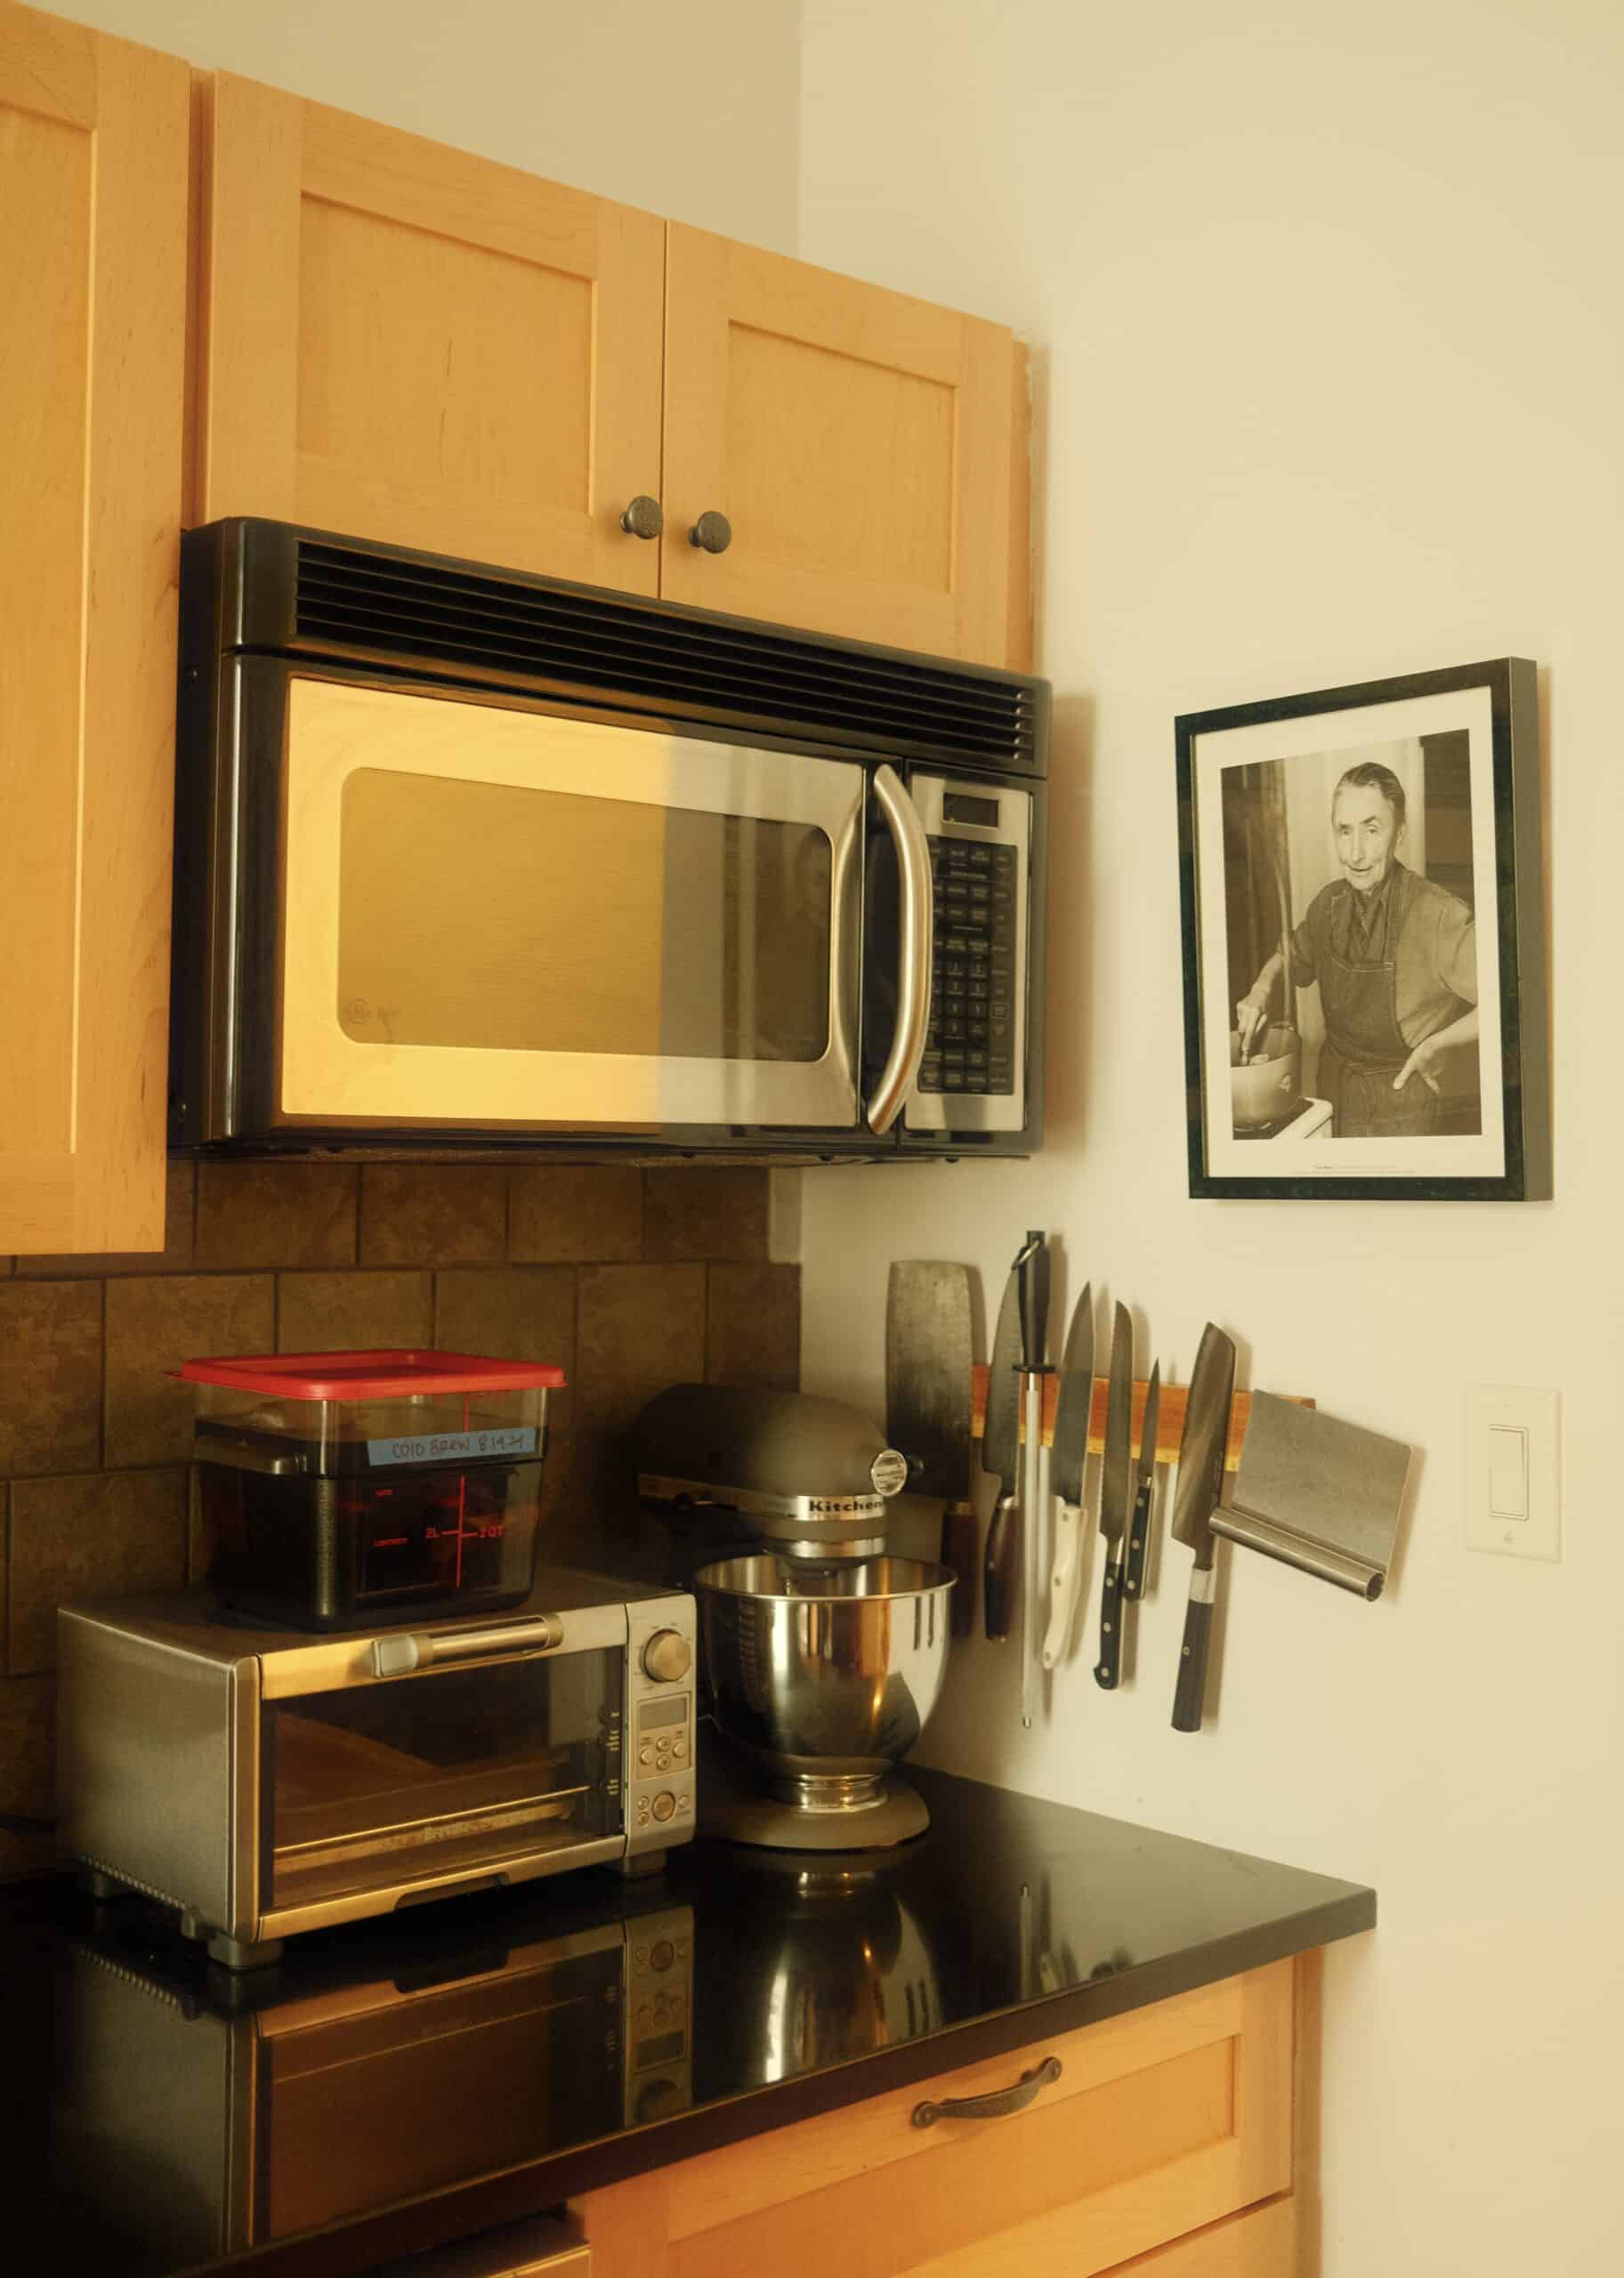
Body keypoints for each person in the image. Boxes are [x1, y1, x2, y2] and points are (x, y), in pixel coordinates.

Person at [1234, 761, 1477, 1137]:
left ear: (1399, 835)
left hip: (1402, 1102)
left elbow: (1509, 998)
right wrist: (1259, 990)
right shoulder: (1327, 905)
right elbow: (1288, 954)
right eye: (1344, 831)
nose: (1356, 852)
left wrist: (1439, 1044)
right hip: (1334, 1091)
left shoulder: (1438, 914)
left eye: (1372, 830)